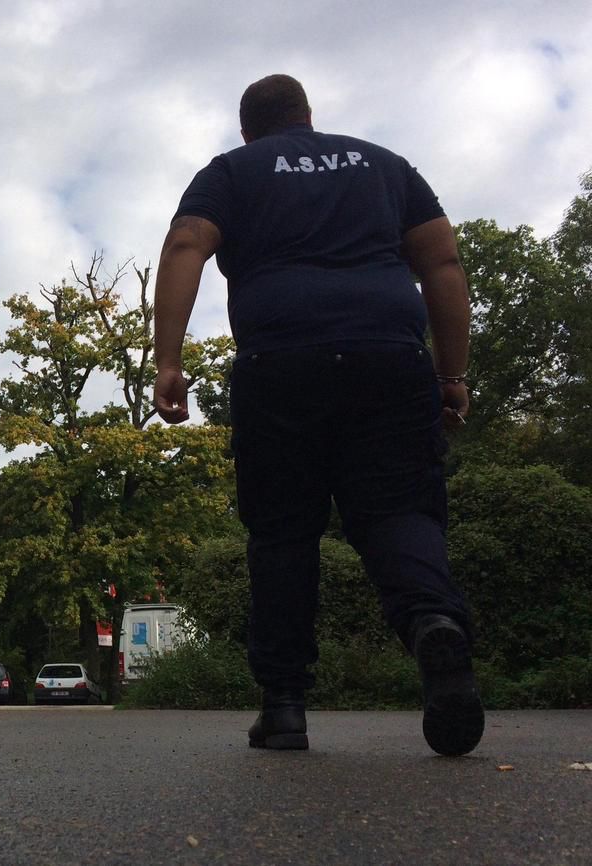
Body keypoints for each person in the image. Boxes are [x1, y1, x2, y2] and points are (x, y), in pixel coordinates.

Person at [152, 74, 483, 756]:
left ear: (249, 130)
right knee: (399, 512)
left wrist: (167, 362)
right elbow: (443, 262)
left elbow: (186, 244)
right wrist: (451, 374)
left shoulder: (232, 171)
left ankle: (284, 707)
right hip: (388, 358)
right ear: (309, 117)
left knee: (282, 533)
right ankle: (431, 625)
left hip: (282, 363)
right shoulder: (384, 165)